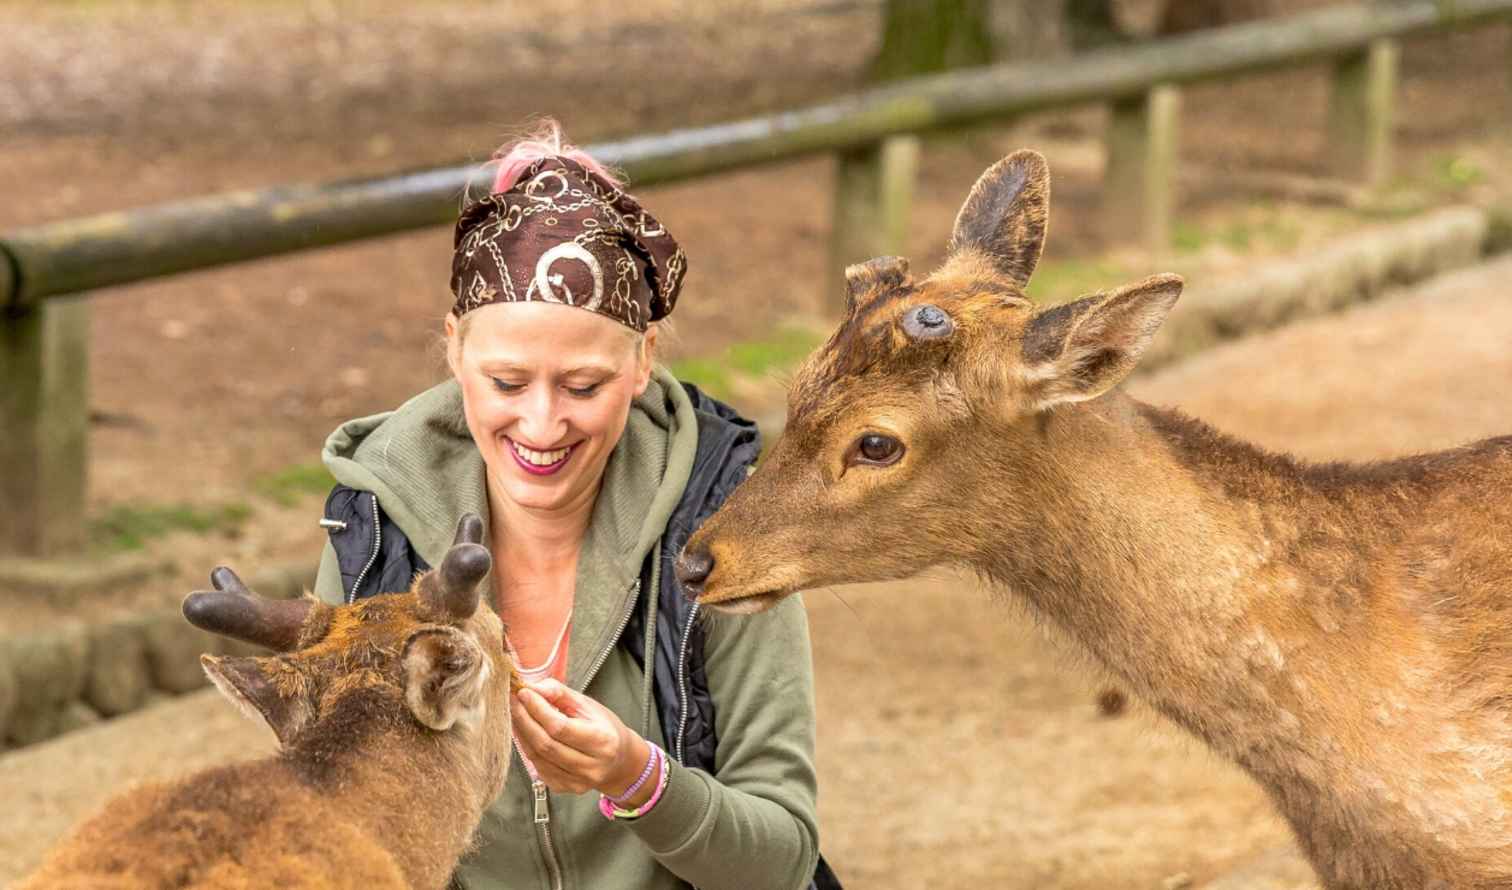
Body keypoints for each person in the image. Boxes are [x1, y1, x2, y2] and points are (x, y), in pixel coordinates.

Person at [310, 121, 840, 890]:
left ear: (643, 361)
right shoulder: (372, 536)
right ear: (455, 348)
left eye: (583, 386)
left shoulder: (725, 527)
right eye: (507, 381)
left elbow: (781, 862)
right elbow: (330, 837)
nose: (541, 424)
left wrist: (641, 780)